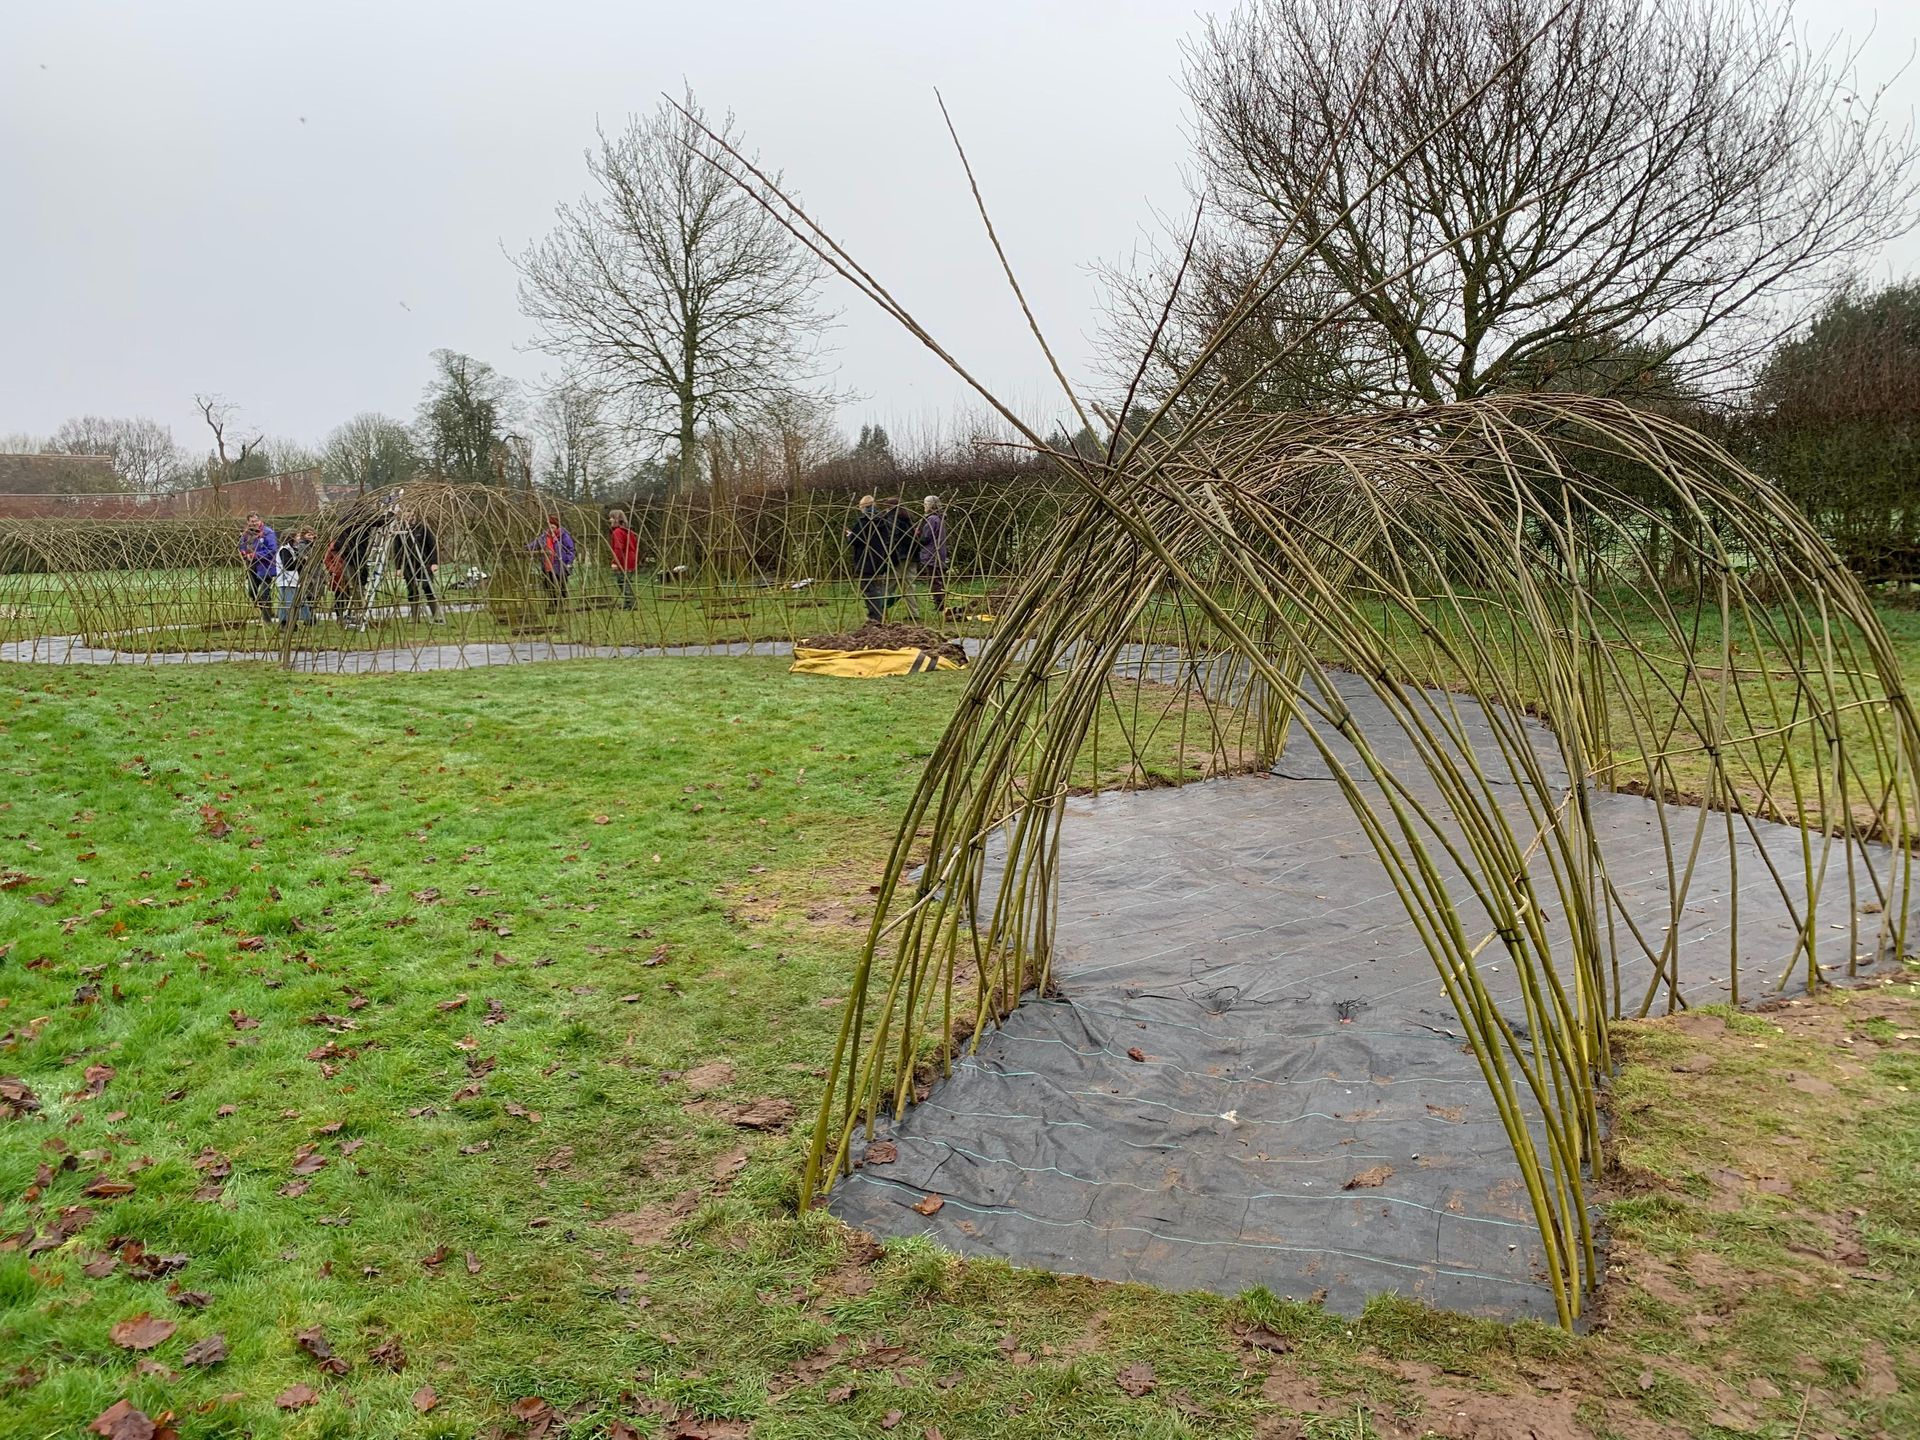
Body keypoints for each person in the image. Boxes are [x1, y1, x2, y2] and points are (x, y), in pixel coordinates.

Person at [845, 495, 892, 623]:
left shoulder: (864, 521)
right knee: (876, 588)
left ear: (863, 507)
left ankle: (875, 616)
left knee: (869, 589)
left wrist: (850, 535)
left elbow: (856, 540)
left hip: (866, 559)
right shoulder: (883, 521)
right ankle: (879, 614)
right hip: (879, 557)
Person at [398, 510, 442, 623]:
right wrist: (398, 567)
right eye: (407, 516)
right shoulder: (401, 531)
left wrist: (434, 563)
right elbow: (397, 550)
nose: (411, 518)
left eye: (412, 516)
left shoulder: (423, 529)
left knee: (428, 589)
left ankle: (436, 616)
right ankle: (415, 618)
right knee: (412, 591)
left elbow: (432, 546)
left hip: (424, 563)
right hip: (409, 565)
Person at [882, 496, 921, 621]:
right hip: (912, 556)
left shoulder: (891, 519)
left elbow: (893, 538)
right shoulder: (908, 518)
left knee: (889, 585)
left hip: (899, 557)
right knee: (909, 585)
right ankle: (914, 613)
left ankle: (880, 610)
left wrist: (888, 554)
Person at [529, 513, 576, 607]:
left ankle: (562, 602)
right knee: (548, 584)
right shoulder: (544, 536)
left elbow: (571, 550)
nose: (551, 529)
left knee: (560, 584)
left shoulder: (564, 536)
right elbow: (534, 544)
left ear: (557, 526)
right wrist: (526, 548)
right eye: (549, 527)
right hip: (547, 565)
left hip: (560, 565)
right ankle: (553, 603)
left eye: (553, 527)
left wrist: (567, 561)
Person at [239, 513, 278, 622]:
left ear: (260, 520)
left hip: (266, 566)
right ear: (248, 522)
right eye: (251, 521)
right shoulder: (246, 534)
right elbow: (242, 546)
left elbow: (272, 550)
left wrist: (255, 555)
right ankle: (264, 609)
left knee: (264, 593)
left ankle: (267, 619)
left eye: (256, 521)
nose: (254, 523)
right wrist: (243, 553)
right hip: (251, 566)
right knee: (252, 591)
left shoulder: (267, 533)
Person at [274, 527, 315, 627]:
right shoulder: (284, 550)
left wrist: (304, 560)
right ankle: (287, 623)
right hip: (286, 581)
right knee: (288, 603)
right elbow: (289, 566)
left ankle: (309, 620)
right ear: (291, 537)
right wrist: (301, 559)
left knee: (300, 601)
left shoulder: (292, 549)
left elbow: (298, 564)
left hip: (294, 580)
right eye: (296, 536)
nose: (298, 537)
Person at [917, 494, 950, 615]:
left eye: (926, 504)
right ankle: (940, 603)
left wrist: (916, 536)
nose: (924, 506)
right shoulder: (939, 519)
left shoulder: (931, 519)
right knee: (937, 579)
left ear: (930, 506)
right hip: (938, 553)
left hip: (932, 554)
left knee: (934, 580)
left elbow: (926, 537)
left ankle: (940, 605)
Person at [607, 508, 639, 610]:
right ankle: (628, 603)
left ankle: (630, 604)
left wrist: (615, 562)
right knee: (626, 582)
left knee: (623, 582)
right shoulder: (629, 532)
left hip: (624, 561)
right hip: (631, 560)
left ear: (616, 519)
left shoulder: (618, 532)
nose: (610, 520)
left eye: (611, 518)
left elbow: (618, 548)